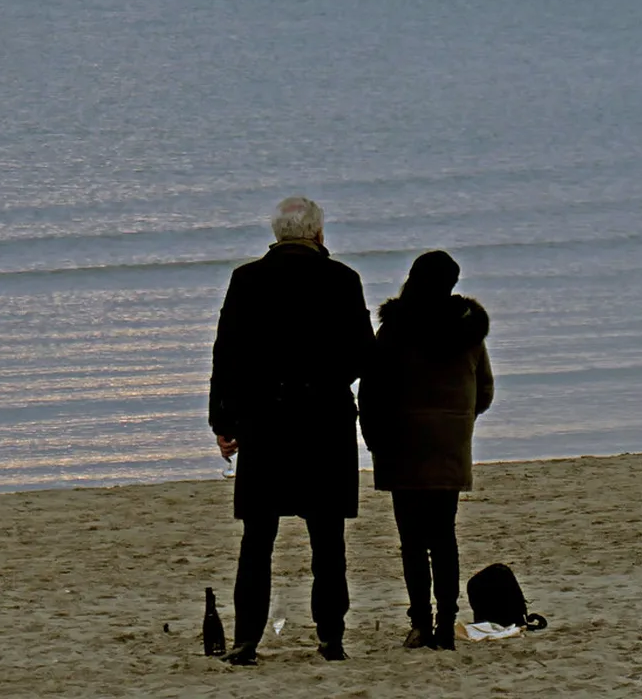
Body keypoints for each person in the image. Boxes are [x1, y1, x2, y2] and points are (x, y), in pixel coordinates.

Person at [208, 196, 374, 665]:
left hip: (265, 422)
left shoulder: (247, 280)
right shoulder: (342, 280)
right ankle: (331, 637)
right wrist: (327, 378)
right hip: (324, 422)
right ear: (318, 234)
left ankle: (246, 641)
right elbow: (364, 353)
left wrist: (223, 420)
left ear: (278, 235)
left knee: (257, 541)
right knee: (328, 540)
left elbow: (227, 355)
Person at [358, 250, 494, 651]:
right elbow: (483, 391)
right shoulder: (469, 333)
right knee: (445, 535)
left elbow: (372, 391)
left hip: (403, 444)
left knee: (413, 540)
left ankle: (420, 622)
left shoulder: (394, 330)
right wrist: (457, 421)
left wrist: (374, 439)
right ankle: (447, 623)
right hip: (449, 443)